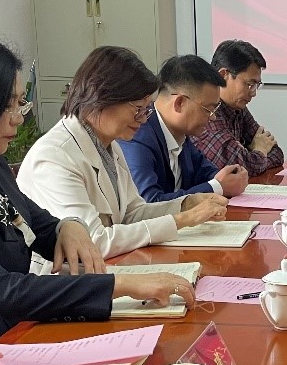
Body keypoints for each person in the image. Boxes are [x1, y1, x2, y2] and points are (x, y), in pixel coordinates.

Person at [0, 31, 190, 345]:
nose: (18, 119)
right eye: (7, 105)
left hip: (15, 329)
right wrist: (122, 285)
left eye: (20, 102)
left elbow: (34, 222)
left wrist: (67, 226)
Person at [16, 46, 228, 263]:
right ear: (102, 99)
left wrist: (186, 204)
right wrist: (182, 220)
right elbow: (92, 242)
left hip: (104, 267)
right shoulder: (55, 156)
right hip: (63, 276)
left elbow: (131, 213)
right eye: (138, 109)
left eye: (146, 109)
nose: (143, 119)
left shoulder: (109, 145)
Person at [119, 54, 249, 202]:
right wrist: (217, 187)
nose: (213, 117)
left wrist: (231, 176)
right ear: (179, 103)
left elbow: (206, 173)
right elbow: (149, 202)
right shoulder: (138, 137)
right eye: (208, 109)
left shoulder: (180, 133)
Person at [195, 40, 283, 176]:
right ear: (223, 75)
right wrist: (259, 151)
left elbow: (276, 152)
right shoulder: (208, 111)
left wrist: (250, 155)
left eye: (256, 85)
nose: (253, 93)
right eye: (249, 84)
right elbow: (236, 168)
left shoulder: (238, 107)